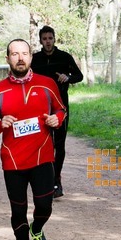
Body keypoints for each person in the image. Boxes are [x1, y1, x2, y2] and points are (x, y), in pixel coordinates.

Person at [0, 39, 67, 240]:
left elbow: (60, 109)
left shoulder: (47, 85)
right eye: (14, 54)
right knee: (18, 211)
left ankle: (37, 229)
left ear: (31, 57)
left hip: (43, 157)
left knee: (44, 206)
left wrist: (57, 119)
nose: (20, 58)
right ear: (7, 59)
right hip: (13, 162)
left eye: (24, 53)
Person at [31, 25, 83, 198]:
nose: (48, 42)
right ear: (40, 41)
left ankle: (56, 181)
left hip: (60, 107)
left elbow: (79, 76)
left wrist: (68, 77)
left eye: (50, 38)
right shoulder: (35, 59)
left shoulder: (64, 57)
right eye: (44, 39)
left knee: (59, 145)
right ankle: (44, 180)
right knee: (44, 144)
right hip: (40, 109)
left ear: (54, 39)